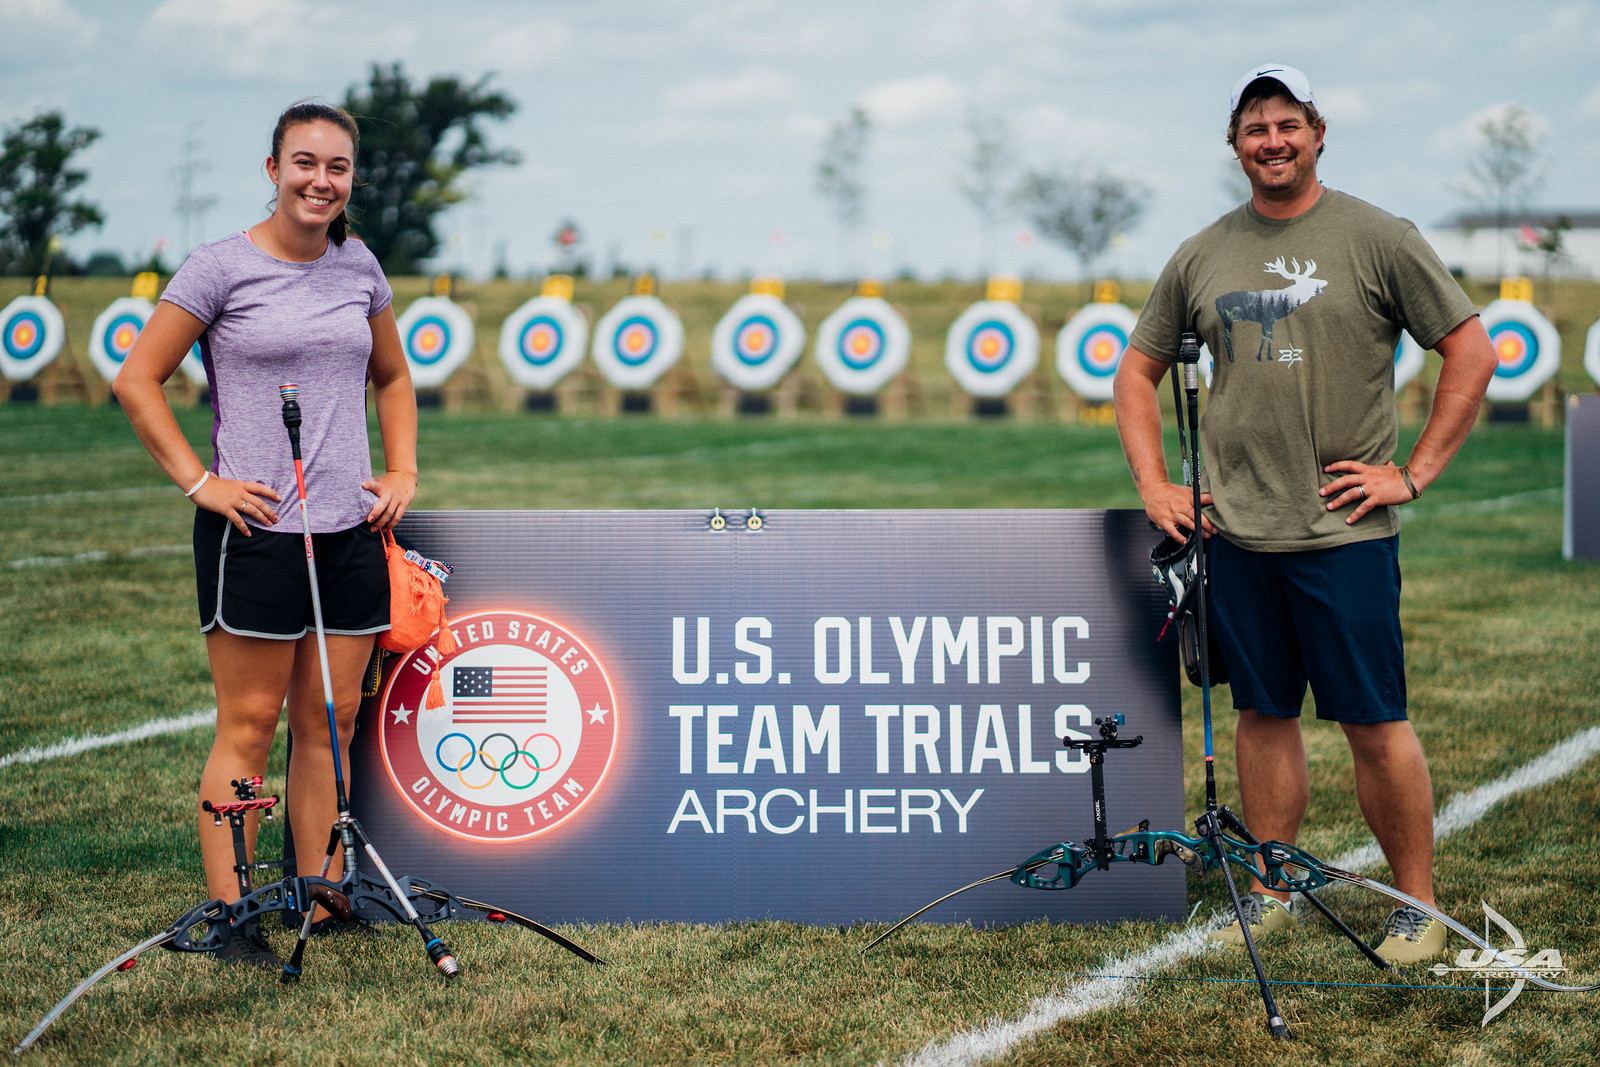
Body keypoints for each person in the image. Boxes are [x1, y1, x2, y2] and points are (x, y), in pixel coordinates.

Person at [1113, 63, 1497, 964]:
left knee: (1373, 720)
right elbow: (1136, 370)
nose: (1272, 140)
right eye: (1255, 127)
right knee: (1263, 712)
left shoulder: (1379, 237)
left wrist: (1414, 471)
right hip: (1234, 532)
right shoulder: (1203, 252)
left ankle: (1417, 904)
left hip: (1343, 533)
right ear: (1235, 145)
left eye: (1288, 123)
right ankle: (1272, 882)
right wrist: (1156, 485)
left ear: (1319, 133)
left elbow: (1470, 351)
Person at [114, 102, 416, 963]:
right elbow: (140, 380)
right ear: (274, 168)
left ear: (351, 179)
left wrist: (402, 473)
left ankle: (321, 898)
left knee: (333, 718)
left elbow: (393, 378)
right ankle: (232, 911)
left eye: (339, 167)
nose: (322, 180)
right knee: (249, 720)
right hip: (256, 533)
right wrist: (200, 482)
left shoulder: (359, 265)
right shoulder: (218, 268)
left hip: (348, 532)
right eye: (305, 162)